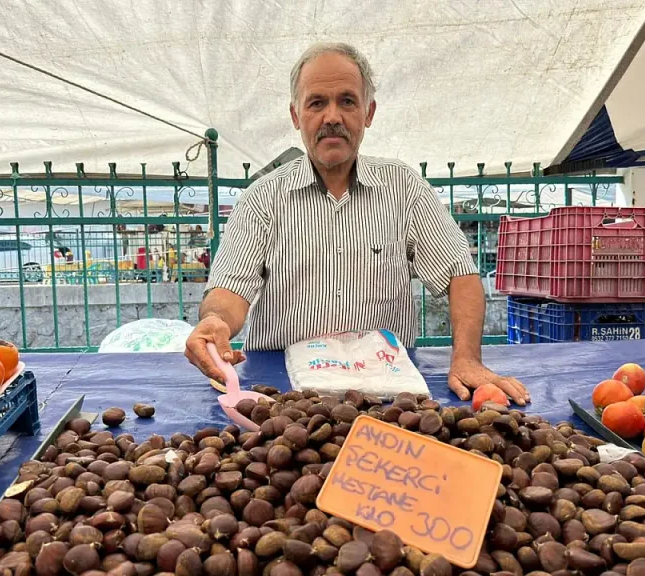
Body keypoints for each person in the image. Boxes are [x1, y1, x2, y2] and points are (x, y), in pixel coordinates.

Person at [183, 42, 529, 405]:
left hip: (388, 392)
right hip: (284, 393)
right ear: (296, 115)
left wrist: (467, 359)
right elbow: (230, 291)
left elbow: (461, 275)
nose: (332, 116)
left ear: (369, 112)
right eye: (317, 102)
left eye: (347, 101)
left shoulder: (404, 188)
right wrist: (216, 322)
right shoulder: (262, 198)